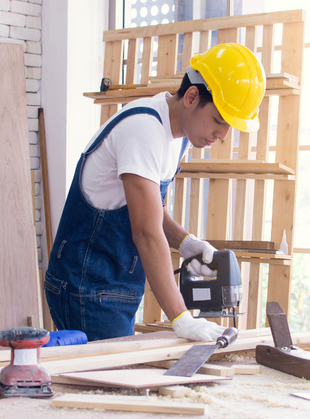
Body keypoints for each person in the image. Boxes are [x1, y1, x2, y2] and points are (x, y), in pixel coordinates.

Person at [44, 42, 266, 342]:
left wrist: (186, 243)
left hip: (114, 282)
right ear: (191, 97)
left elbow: (151, 207)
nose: (222, 135)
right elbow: (146, 233)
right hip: (88, 286)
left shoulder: (178, 135)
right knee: (111, 384)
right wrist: (181, 318)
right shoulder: (144, 130)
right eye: (218, 120)